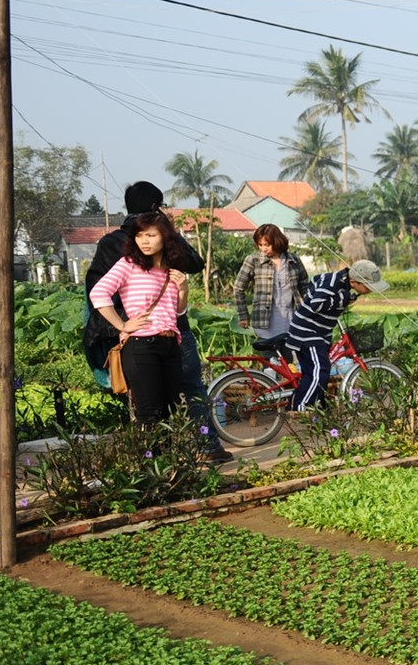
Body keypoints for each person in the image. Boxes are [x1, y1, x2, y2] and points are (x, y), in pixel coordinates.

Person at [84, 180, 227, 458]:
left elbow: (92, 284)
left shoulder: (110, 242)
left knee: (158, 406)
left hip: (164, 331)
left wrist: (116, 327)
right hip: (153, 337)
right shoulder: (150, 245)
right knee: (185, 393)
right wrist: (124, 326)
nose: (145, 241)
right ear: (155, 206)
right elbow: (196, 263)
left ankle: (169, 462)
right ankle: (206, 448)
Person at [88, 211, 193, 425]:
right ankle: (150, 457)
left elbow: (178, 312)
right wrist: (122, 324)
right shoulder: (129, 264)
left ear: (165, 236)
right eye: (139, 235)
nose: (144, 241)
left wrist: (183, 289)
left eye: (151, 236)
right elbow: (98, 293)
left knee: (169, 411)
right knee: (149, 412)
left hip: (171, 343)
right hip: (140, 345)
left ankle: (164, 457)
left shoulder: (171, 270)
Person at [287, 259, 387, 412]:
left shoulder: (343, 283)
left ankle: (317, 407)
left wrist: (346, 298)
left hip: (319, 333)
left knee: (316, 372)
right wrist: (344, 298)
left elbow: (317, 285)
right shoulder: (334, 283)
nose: (371, 290)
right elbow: (316, 304)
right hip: (307, 332)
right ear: (354, 281)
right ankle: (299, 408)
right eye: (369, 287)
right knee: (319, 370)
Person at [231, 223, 310, 360]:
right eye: (260, 245)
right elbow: (238, 288)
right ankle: (268, 381)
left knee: (289, 362)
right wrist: (243, 315)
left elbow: (304, 286)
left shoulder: (293, 260)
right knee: (270, 363)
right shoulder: (253, 260)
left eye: (266, 245)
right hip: (266, 320)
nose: (263, 249)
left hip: (291, 318)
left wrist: (310, 309)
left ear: (277, 241)